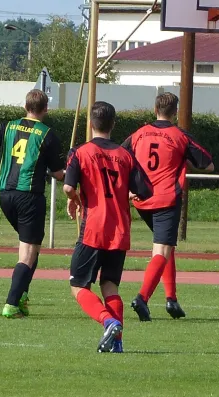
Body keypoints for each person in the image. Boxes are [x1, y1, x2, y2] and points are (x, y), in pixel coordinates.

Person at [63, 101, 153, 353]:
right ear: (113, 125)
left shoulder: (80, 152)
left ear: (91, 123)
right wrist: (123, 197)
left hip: (93, 229)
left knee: (78, 286)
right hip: (120, 230)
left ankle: (108, 321)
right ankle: (118, 342)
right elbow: (145, 191)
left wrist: (75, 199)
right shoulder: (126, 156)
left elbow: (68, 187)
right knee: (110, 285)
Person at [122, 92, 214, 322]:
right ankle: (142, 297)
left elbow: (122, 158)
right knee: (161, 250)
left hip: (142, 201)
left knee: (166, 246)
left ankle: (171, 299)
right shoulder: (179, 136)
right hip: (166, 200)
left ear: (155, 110)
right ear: (175, 112)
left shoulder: (139, 134)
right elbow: (208, 164)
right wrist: (185, 160)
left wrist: (130, 187)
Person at [0, 89, 64, 318]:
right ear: (45, 110)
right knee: (28, 253)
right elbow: (58, 173)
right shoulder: (47, 134)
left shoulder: (8, 127)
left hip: (5, 195)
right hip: (29, 196)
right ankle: (11, 304)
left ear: (25, 107)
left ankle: (22, 298)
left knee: (33, 247)